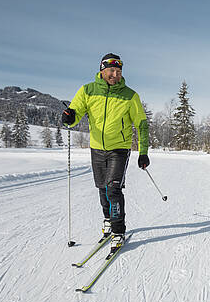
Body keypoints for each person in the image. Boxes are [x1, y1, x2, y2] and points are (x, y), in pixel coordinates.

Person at [62, 53, 149, 254]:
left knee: (113, 189)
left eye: (118, 72)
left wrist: (143, 152)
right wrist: (69, 117)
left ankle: (119, 230)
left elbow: (142, 125)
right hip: (97, 148)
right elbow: (75, 114)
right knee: (102, 187)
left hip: (119, 148)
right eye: (111, 71)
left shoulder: (130, 95)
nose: (115, 75)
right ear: (102, 70)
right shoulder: (88, 91)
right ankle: (109, 220)